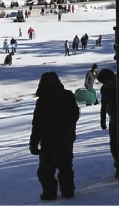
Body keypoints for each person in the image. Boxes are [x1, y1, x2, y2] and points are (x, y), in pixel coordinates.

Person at [29, 71, 79, 201]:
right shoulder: (68, 95)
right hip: (67, 137)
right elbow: (75, 115)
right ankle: (68, 190)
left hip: (49, 139)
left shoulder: (42, 101)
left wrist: (33, 143)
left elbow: (37, 124)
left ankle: (50, 192)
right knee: (65, 165)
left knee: (46, 169)